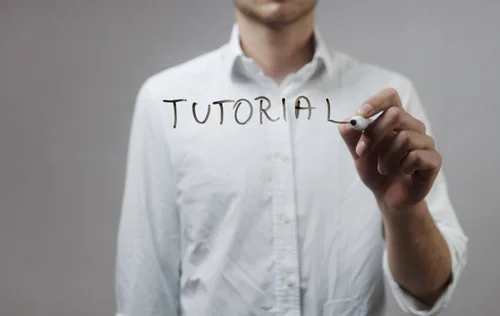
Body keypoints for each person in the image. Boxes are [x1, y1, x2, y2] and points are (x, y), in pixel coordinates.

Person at [115, 1, 468, 315]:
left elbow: (430, 291)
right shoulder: (165, 101)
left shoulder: (387, 101)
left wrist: (403, 211)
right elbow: (144, 290)